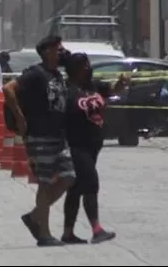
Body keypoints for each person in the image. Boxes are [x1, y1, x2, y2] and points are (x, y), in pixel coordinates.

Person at [3, 35, 74, 247]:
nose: (61, 51)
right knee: (45, 183)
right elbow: (8, 89)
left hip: (59, 136)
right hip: (39, 136)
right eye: (57, 48)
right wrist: (20, 118)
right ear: (47, 51)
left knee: (68, 177)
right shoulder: (35, 73)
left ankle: (35, 216)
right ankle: (44, 233)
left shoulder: (57, 74)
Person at [60, 52, 124, 245]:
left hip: (93, 145)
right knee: (91, 183)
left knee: (76, 189)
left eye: (88, 64)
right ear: (74, 70)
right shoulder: (67, 91)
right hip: (76, 145)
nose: (88, 68)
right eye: (83, 65)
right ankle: (97, 229)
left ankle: (68, 233)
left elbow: (112, 90)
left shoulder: (92, 86)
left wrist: (120, 85)